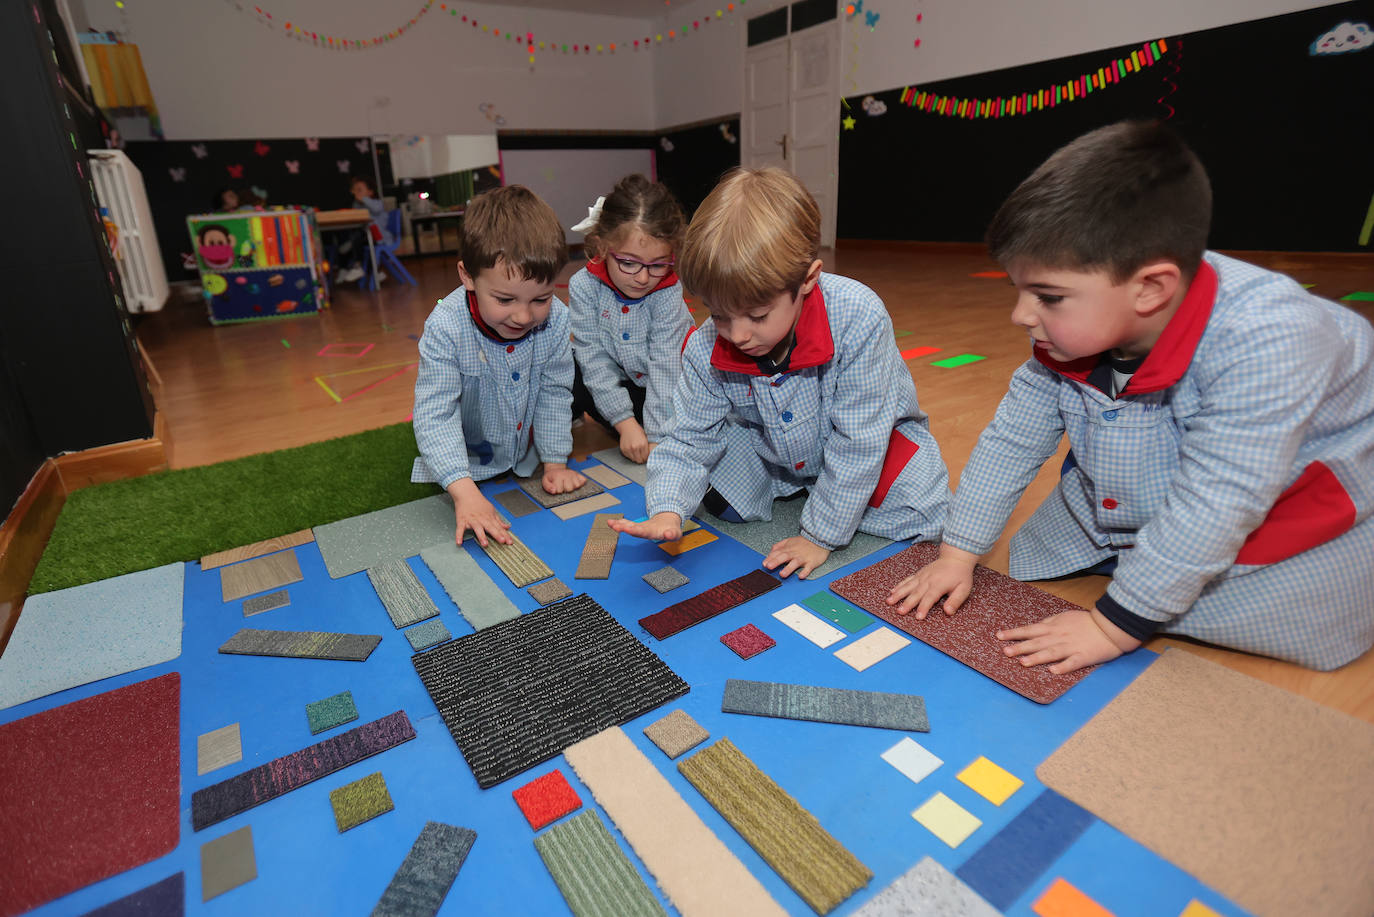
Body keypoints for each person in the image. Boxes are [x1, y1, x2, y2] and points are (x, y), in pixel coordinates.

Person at [887, 120, 1374, 674]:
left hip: (1287, 498)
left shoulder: (1270, 339)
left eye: (1048, 296)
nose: (1021, 315)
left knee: (1247, 614)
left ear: (1150, 288)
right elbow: (1011, 442)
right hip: (1143, 477)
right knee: (1041, 562)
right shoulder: (1071, 335)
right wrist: (958, 552)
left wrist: (1110, 627)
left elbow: (1218, 502)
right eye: (1018, 290)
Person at [610, 167, 951, 579]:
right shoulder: (705, 345)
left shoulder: (859, 316)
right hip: (771, 448)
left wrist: (820, 535)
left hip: (873, 445)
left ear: (807, 280)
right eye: (719, 315)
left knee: (920, 511)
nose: (737, 335)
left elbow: (861, 441)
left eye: (757, 315)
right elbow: (688, 437)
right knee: (711, 497)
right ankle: (797, 490)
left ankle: (826, 504)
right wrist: (668, 508)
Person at [411, 185, 587, 546]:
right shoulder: (445, 326)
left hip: (523, 456)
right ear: (467, 276)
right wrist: (464, 492)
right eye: (505, 299)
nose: (524, 315)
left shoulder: (556, 321)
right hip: (469, 457)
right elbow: (435, 414)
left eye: (541, 298)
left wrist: (554, 462)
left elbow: (555, 393)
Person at [567, 174, 693, 463]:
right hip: (618, 385)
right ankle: (579, 416)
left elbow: (666, 370)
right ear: (602, 248)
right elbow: (593, 359)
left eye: (659, 264)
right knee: (568, 366)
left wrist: (657, 438)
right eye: (628, 263)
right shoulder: (584, 286)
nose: (644, 277)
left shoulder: (667, 292)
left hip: (667, 389)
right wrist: (624, 422)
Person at [337, 175, 392, 283]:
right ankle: (344, 268)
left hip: (378, 237)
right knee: (351, 236)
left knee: (357, 238)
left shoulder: (376, 203)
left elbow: (376, 210)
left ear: (370, 192)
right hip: (364, 237)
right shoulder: (356, 204)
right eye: (355, 190)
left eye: (360, 190)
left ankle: (359, 266)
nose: (357, 193)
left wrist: (364, 199)